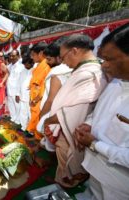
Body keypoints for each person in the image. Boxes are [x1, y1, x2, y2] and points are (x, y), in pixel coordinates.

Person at [44, 34, 107, 188]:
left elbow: (77, 109)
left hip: (72, 126)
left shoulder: (90, 73)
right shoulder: (85, 69)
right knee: (63, 157)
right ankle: (63, 179)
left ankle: (67, 183)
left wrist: (49, 120)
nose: (63, 62)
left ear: (74, 51)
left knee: (67, 156)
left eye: (63, 57)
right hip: (69, 124)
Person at [75, 23, 129, 200]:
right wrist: (88, 124)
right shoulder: (115, 82)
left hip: (120, 184)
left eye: (109, 59)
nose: (103, 66)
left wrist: (95, 144)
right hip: (94, 168)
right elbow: (99, 112)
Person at [37, 38, 72, 151]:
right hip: (66, 114)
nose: (47, 62)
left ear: (59, 57)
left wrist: (41, 116)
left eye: (49, 59)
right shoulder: (72, 69)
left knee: (53, 143)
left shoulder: (57, 73)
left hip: (53, 113)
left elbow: (51, 99)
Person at [26, 42, 51, 139]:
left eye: (33, 55)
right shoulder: (40, 65)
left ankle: (38, 139)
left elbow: (44, 86)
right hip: (34, 97)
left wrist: (36, 99)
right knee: (34, 118)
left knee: (38, 119)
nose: (32, 58)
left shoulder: (46, 66)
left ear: (40, 53)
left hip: (39, 99)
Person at [18, 56, 35, 133]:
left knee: (31, 114)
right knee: (23, 112)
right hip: (22, 96)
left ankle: (31, 131)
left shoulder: (35, 71)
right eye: (24, 64)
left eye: (27, 64)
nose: (25, 66)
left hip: (31, 97)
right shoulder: (22, 71)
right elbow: (19, 83)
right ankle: (23, 127)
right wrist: (17, 94)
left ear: (32, 63)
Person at [7, 50, 24, 124]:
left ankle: (18, 120)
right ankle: (13, 117)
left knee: (17, 106)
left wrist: (18, 93)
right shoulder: (9, 66)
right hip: (9, 89)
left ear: (18, 56)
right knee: (10, 104)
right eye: (10, 56)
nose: (11, 57)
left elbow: (21, 81)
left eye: (13, 56)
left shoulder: (21, 67)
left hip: (16, 90)